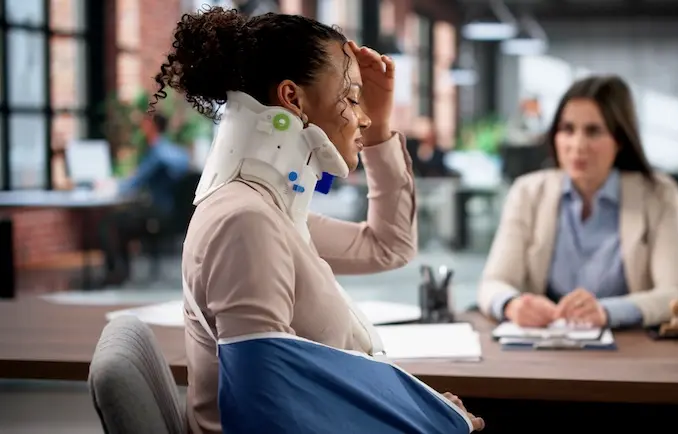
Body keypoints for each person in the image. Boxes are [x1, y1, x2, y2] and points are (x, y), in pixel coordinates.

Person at [150, 9, 483, 434]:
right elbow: (264, 417)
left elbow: (389, 245)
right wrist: (428, 421)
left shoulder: (270, 213)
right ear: (292, 99)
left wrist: (380, 128)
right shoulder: (245, 223)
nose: (360, 116)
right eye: (350, 97)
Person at [477, 75, 678, 329]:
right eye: (567, 130)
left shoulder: (659, 195)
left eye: (593, 131)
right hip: (542, 350)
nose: (577, 145)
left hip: (629, 352)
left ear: (619, 140)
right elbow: (492, 283)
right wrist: (512, 304)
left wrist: (606, 312)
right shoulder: (527, 192)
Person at [97, 112, 190, 285]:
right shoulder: (178, 152)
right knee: (121, 221)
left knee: (109, 223)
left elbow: (135, 183)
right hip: (174, 215)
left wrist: (110, 186)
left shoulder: (157, 152)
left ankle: (116, 274)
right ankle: (122, 272)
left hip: (158, 214)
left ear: (151, 126)